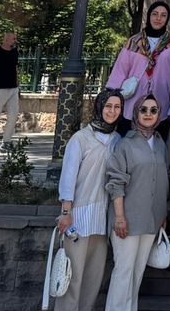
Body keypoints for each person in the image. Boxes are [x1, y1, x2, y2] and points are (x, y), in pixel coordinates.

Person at [55, 89, 122, 311]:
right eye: (108, 106)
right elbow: (68, 176)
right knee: (71, 276)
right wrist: (66, 212)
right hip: (78, 217)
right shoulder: (81, 138)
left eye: (117, 107)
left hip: (102, 219)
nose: (112, 111)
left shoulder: (117, 140)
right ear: (99, 107)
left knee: (93, 277)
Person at [105, 93, 170, 311]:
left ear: (159, 114)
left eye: (153, 110)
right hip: (128, 219)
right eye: (143, 109)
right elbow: (116, 182)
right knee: (123, 271)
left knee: (137, 272)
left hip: (151, 219)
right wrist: (119, 217)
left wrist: (163, 215)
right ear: (136, 112)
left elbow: (163, 180)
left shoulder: (160, 143)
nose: (148, 114)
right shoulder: (125, 144)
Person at [107, 1, 170, 127]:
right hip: (132, 102)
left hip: (161, 101)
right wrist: (113, 94)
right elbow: (120, 70)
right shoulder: (134, 42)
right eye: (155, 14)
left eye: (163, 15)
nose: (158, 18)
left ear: (167, 19)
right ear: (149, 16)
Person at [0, 30, 19, 153]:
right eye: (13, 39)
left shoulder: (14, 52)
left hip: (13, 88)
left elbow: (15, 68)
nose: (15, 41)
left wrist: (18, 84)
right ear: (5, 40)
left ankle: (6, 142)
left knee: (13, 115)